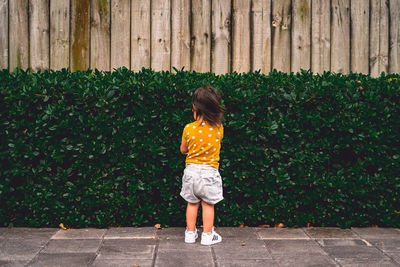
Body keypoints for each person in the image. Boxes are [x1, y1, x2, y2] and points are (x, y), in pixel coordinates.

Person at [180, 84, 225, 245]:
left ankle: (190, 234)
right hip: (209, 172)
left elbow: (183, 149)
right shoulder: (218, 128)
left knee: (192, 203)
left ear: (194, 107)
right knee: (208, 204)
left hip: (191, 171)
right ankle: (207, 235)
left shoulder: (188, 129)